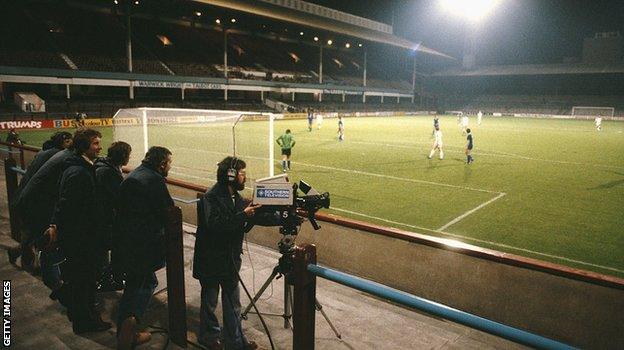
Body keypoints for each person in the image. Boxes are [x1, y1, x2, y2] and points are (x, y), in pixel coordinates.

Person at [193, 156, 261, 350]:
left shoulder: (236, 198)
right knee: (210, 301)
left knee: (233, 303)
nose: (244, 177)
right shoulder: (211, 197)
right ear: (230, 176)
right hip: (212, 259)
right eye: (241, 173)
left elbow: (240, 221)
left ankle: (235, 341)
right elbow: (215, 225)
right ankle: (209, 336)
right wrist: (243, 215)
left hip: (230, 259)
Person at [48, 128, 110, 334]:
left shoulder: (78, 167)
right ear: (84, 147)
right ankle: (85, 322)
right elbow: (68, 206)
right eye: (95, 143)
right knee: (85, 279)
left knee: (80, 278)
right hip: (82, 238)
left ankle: (76, 310)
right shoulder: (78, 172)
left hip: (79, 236)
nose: (100, 147)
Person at [116, 146, 174, 350]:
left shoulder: (135, 174)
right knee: (142, 283)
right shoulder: (154, 180)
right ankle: (128, 329)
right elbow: (168, 211)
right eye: (168, 163)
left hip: (126, 241)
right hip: (143, 245)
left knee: (138, 281)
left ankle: (126, 328)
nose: (169, 167)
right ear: (161, 164)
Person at [8, 131, 73, 269]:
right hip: (36, 201)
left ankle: (24, 258)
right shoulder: (59, 155)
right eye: (69, 141)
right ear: (63, 141)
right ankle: (32, 263)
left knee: (33, 232)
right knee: (41, 233)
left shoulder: (46, 152)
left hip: (26, 197)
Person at [94, 141, 132, 292]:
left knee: (108, 248)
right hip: (104, 219)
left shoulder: (105, 166)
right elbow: (116, 199)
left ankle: (111, 276)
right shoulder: (108, 173)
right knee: (113, 247)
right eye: (128, 155)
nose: (129, 158)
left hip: (103, 217)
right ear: (122, 156)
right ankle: (106, 279)